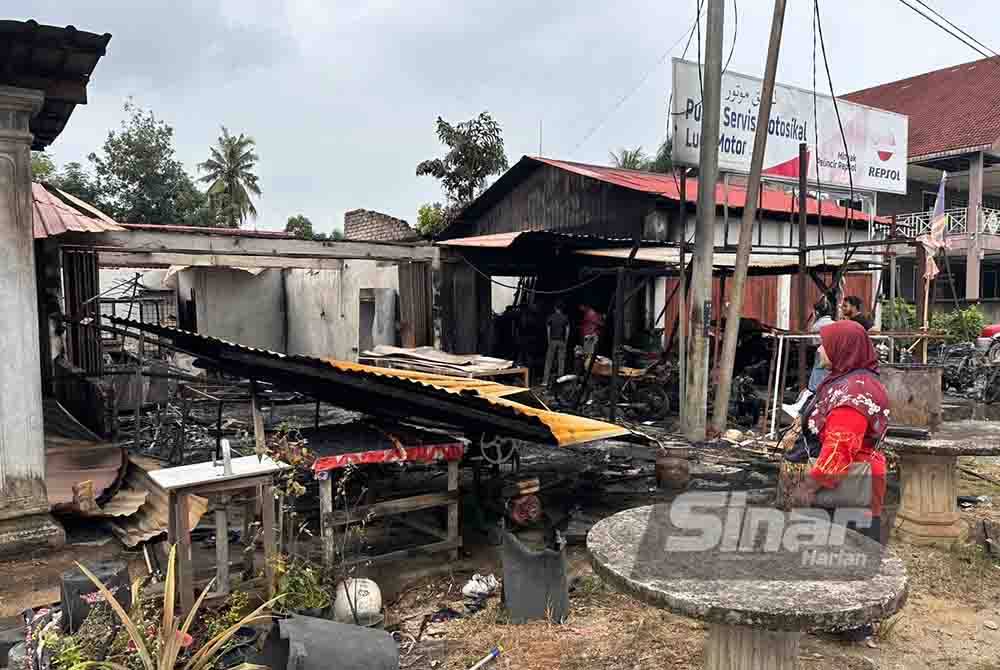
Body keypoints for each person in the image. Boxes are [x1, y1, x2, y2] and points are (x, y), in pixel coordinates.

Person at [791, 319, 890, 544]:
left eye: (824, 344)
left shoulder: (853, 393)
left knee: (846, 551)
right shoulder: (851, 380)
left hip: (849, 487)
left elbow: (840, 447)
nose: (819, 349)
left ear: (842, 347)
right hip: (853, 481)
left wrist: (808, 487)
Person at [782, 297, 834, 416]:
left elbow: (813, 343)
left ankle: (802, 411)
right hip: (833, 358)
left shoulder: (817, 326)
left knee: (814, 386)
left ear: (817, 312)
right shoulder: (835, 324)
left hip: (822, 357)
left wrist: (812, 322)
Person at [542, 303, 570, 386]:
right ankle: (559, 382)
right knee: (561, 361)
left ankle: (545, 381)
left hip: (552, 340)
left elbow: (548, 330)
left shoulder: (551, 317)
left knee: (548, 361)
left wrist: (549, 340)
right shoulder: (565, 317)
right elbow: (567, 330)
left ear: (555, 308)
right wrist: (566, 340)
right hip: (562, 341)